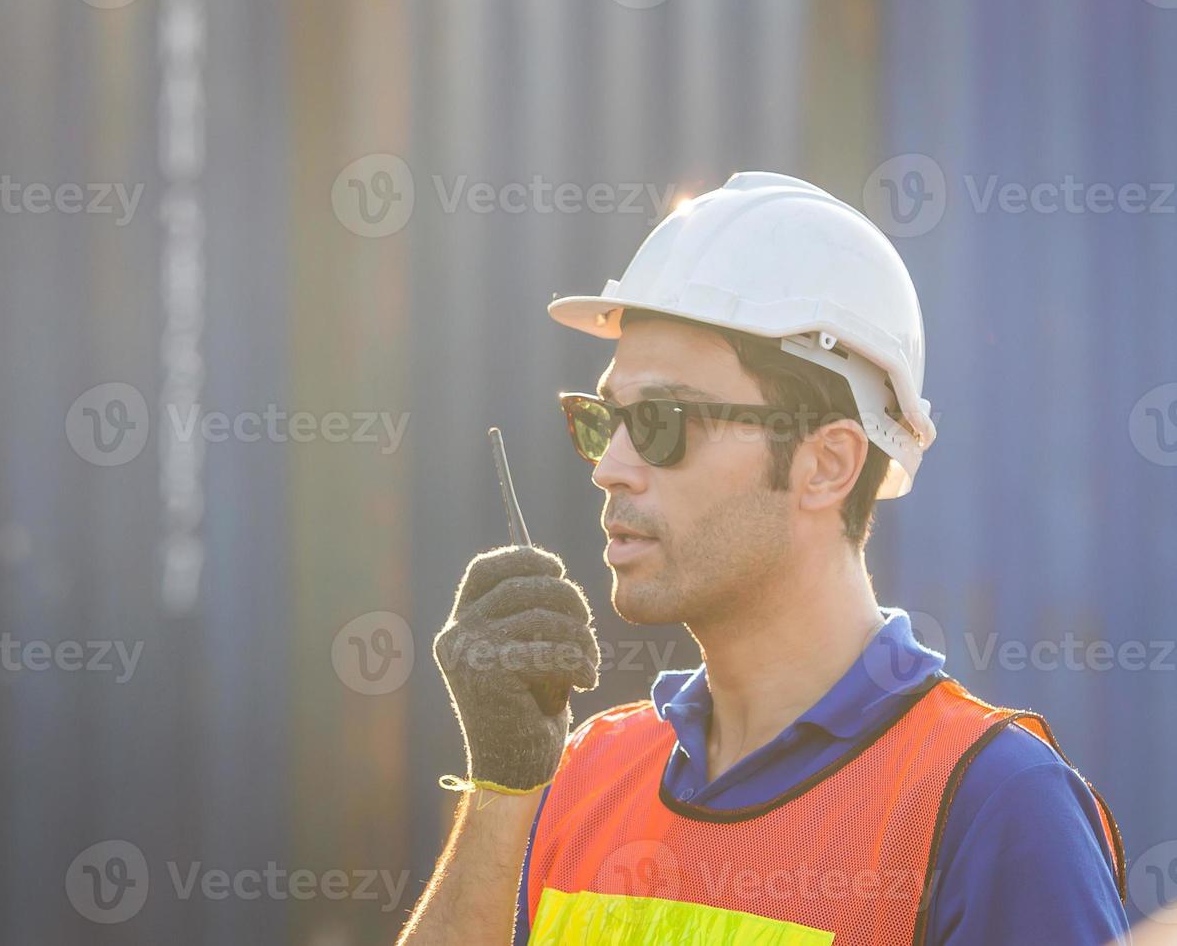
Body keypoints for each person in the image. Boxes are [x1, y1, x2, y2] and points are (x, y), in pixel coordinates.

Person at [396, 173, 1127, 945]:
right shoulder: (587, 773)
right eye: (602, 420)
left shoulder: (991, 805)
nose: (609, 466)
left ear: (827, 465)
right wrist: (506, 790)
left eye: (661, 421)